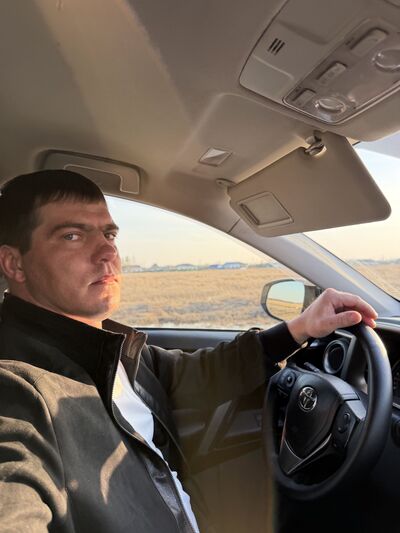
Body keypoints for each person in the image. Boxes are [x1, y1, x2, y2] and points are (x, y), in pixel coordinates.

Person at [0, 170, 377, 533]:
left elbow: (199, 374)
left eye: (109, 234)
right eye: (72, 236)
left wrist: (301, 327)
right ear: (14, 264)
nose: (107, 252)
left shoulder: (110, 350)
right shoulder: (16, 389)